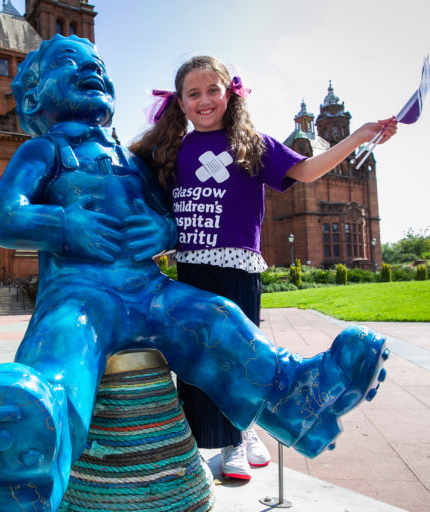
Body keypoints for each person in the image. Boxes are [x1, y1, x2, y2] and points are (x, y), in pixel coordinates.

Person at [0, 35, 390, 512]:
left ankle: (295, 401)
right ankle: (35, 440)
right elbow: (0, 218)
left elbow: (166, 215)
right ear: (34, 97)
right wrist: (64, 225)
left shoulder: (131, 159)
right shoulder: (42, 152)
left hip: (149, 289)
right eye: (70, 63)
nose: (91, 68)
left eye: (96, 63)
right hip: (81, 292)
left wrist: (164, 229)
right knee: (67, 347)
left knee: (219, 319)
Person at [130, 56, 398, 480]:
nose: (204, 100)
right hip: (193, 270)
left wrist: (359, 136)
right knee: (196, 356)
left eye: (212, 90)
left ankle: (240, 436)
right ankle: (198, 445)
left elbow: (308, 171)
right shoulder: (171, 151)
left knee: (248, 357)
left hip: (239, 266)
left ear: (229, 93)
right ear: (179, 102)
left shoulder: (253, 144)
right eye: (193, 93)